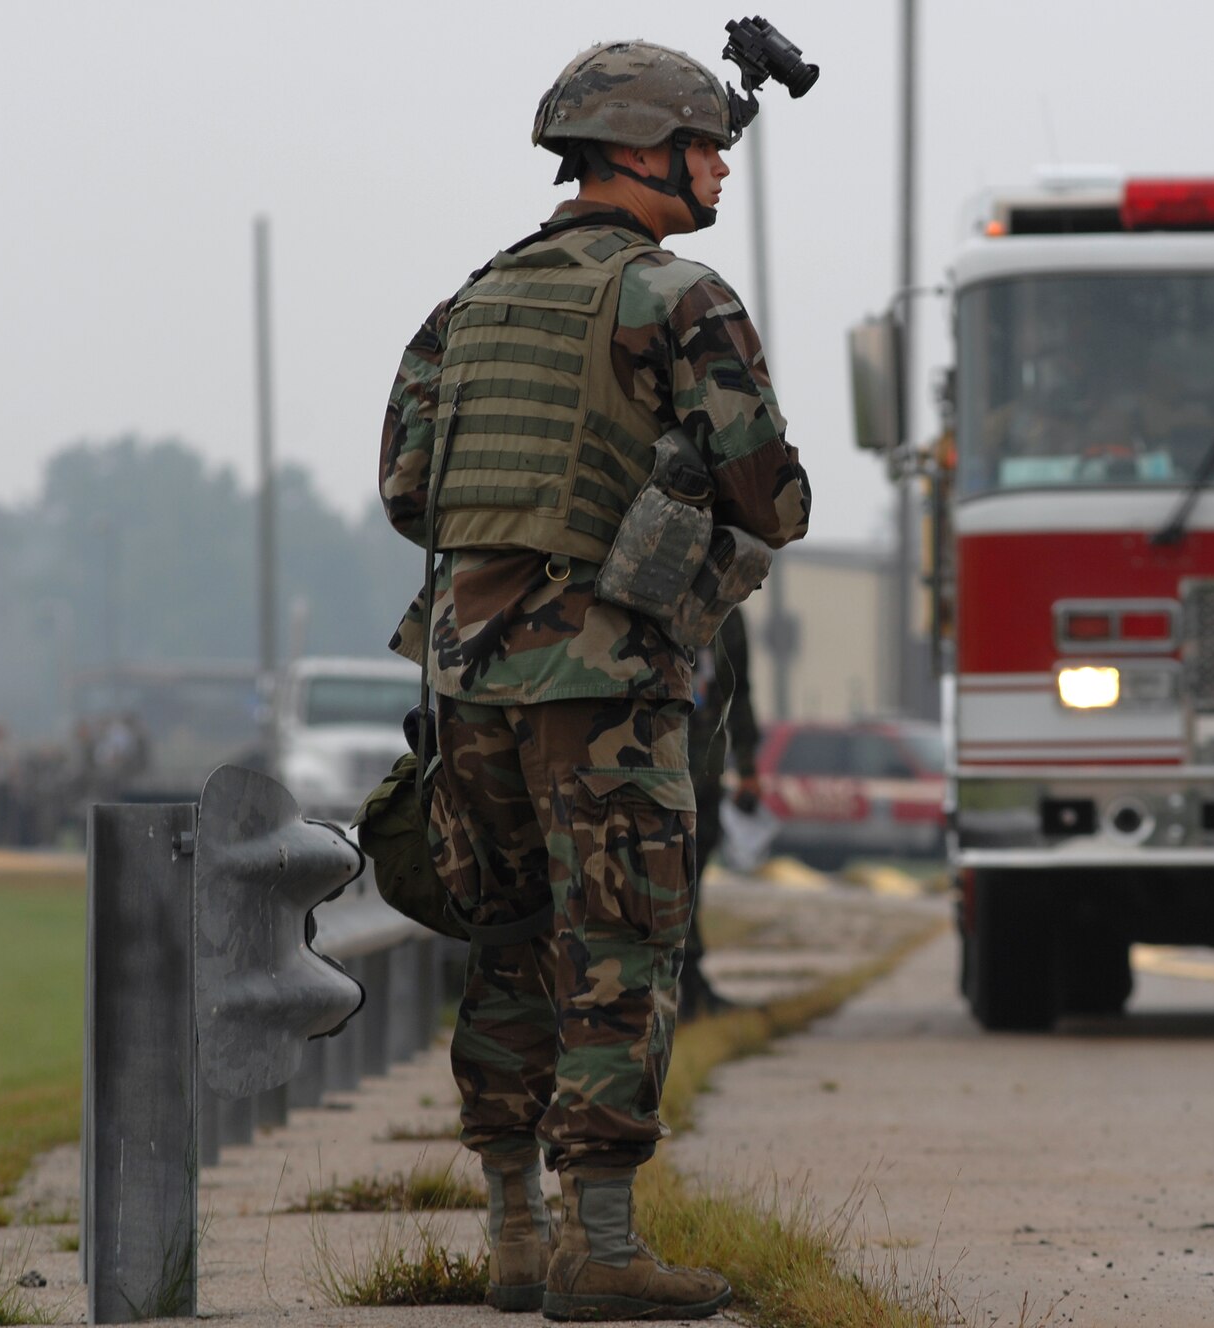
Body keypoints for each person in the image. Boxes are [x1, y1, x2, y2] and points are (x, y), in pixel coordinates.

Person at [377, 38, 809, 1322]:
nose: (722, 164)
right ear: (641, 153)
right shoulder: (679, 297)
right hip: (607, 682)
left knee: (506, 937)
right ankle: (603, 1248)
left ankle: (514, 1234)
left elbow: (408, 494)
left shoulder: (467, 303)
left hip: (467, 679)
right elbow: (772, 497)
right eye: (705, 144)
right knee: (620, 943)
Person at [681, 608, 760, 1019]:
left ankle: (690, 984)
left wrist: (748, 766)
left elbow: (738, 690)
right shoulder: (648, 586)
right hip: (657, 768)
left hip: (704, 773)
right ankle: (682, 983)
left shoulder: (726, 610)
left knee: (692, 875)